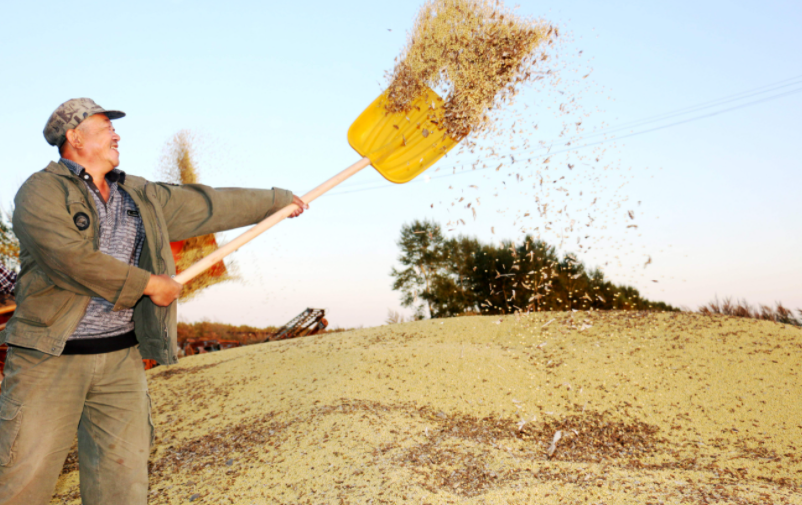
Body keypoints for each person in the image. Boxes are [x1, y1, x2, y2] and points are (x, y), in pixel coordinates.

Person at [0, 98, 308, 505]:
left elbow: (205, 204)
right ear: (74, 138)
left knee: (123, 484)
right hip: (50, 359)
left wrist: (277, 200)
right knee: (21, 479)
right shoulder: (41, 191)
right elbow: (70, 260)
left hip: (119, 363)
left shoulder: (138, 194)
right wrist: (148, 284)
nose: (116, 134)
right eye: (105, 127)